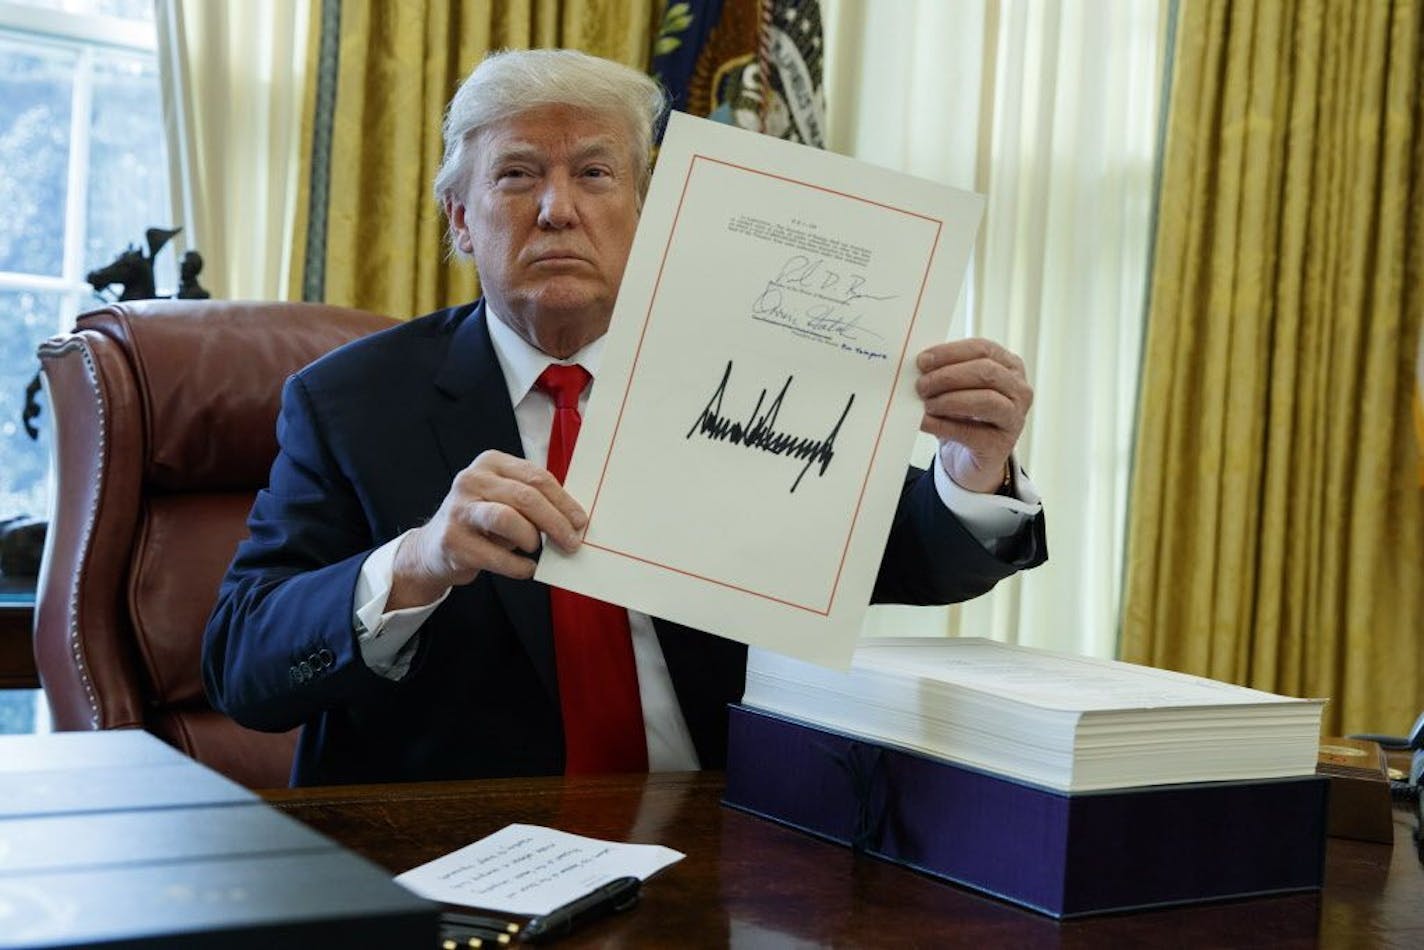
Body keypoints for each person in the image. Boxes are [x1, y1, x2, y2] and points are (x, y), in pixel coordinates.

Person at [202, 49, 1047, 787]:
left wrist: (973, 475)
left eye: (596, 174)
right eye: (516, 173)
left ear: (650, 216)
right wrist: (418, 559)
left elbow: (904, 554)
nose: (557, 209)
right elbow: (242, 666)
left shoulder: (745, 372)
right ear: (461, 219)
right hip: (465, 843)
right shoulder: (348, 403)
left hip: (723, 833)